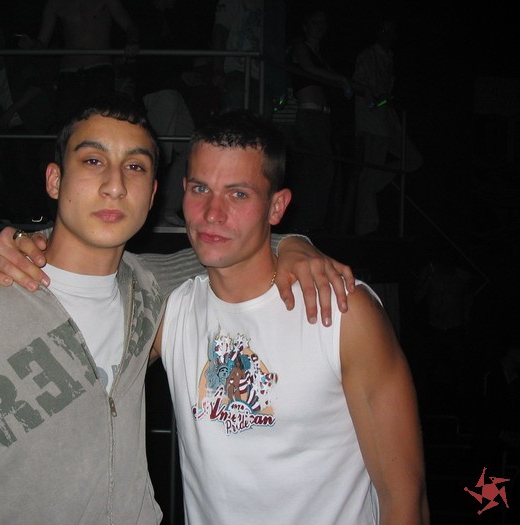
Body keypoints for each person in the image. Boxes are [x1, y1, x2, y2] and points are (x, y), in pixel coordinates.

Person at [0, 96, 353, 523]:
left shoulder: (151, 287)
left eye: (135, 167)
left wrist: (293, 243)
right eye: (93, 161)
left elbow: (235, 243)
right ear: (55, 179)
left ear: (153, 194)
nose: (114, 185)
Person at [153, 109, 429, 523]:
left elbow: (404, 497)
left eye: (238, 194)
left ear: (277, 206)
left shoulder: (343, 313)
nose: (212, 213)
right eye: (200, 189)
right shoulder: (172, 313)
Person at [352, 16, 424, 236]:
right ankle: (366, 226)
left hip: (389, 120)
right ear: (377, 32)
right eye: (383, 30)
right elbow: (357, 85)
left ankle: (369, 186)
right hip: (373, 121)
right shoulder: (368, 55)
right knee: (371, 170)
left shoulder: (389, 57)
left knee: (413, 159)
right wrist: (373, 98)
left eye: (391, 31)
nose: (387, 35)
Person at [20, 0, 141, 128]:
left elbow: (130, 26)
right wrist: (31, 45)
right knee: (67, 123)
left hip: (99, 68)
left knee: (99, 121)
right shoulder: (55, 3)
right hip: (68, 72)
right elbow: (42, 44)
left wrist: (133, 42)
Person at [288, 7, 353, 233]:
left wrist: (364, 89)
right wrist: (341, 80)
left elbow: (336, 78)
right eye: (315, 22)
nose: (320, 26)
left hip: (322, 117)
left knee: (320, 170)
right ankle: (304, 224)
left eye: (323, 23)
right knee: (318, 169)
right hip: (309, 114)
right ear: (305, 26)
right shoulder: (300, 46)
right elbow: (308, 68)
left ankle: (310, 223)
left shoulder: (321, 57)